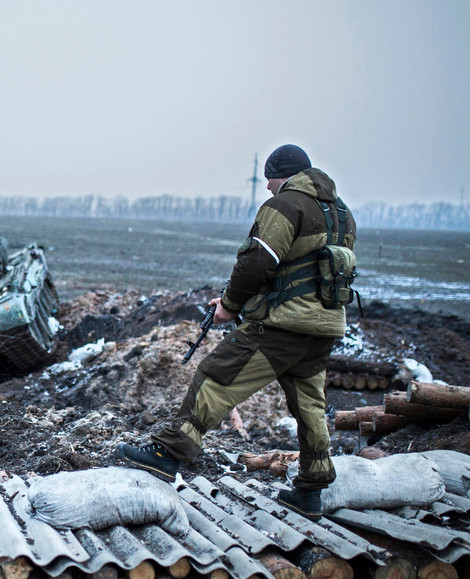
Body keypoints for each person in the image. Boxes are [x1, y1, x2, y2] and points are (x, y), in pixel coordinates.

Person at [117, 144, 356, 520]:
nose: (266, 188)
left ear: (284, 175)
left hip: (283, 326)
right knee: (310, 405)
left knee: (217, 376)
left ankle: (168, 454)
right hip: (324, 327)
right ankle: (312, 487)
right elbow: (308, 273)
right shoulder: (342, 214)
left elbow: (257, 261)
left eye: (269, 179)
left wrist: (229, 305)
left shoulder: (285, 206)